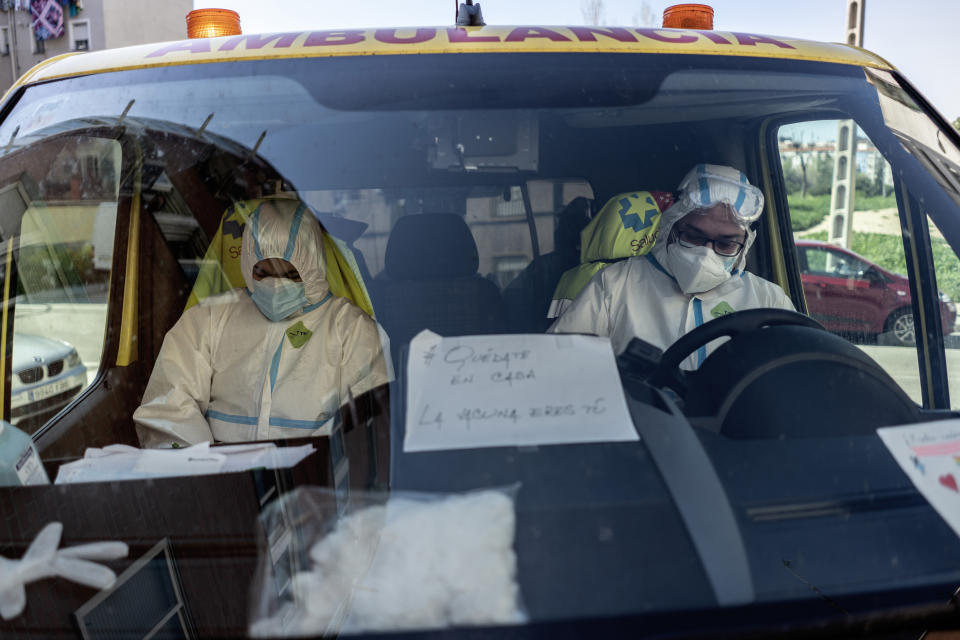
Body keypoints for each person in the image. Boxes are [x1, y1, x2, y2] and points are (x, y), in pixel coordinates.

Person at [134, 198, 389, 448]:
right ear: (247, 264)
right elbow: (169, 405)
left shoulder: (351, 329)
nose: (277, 284)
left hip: (312, 479)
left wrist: (312, 465)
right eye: (263, 273)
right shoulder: (210, 318)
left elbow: (367, 421)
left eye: (290, 274)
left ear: (312, 266)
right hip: (227, 481)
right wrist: (205, 471)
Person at [548, 164, 794, 369]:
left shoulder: (768, 299)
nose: (705, 254)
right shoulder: (613, 284)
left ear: (745, 244)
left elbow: (800, 370)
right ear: (671, 225)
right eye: (694, 236)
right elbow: (556, 367)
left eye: (725, 244)